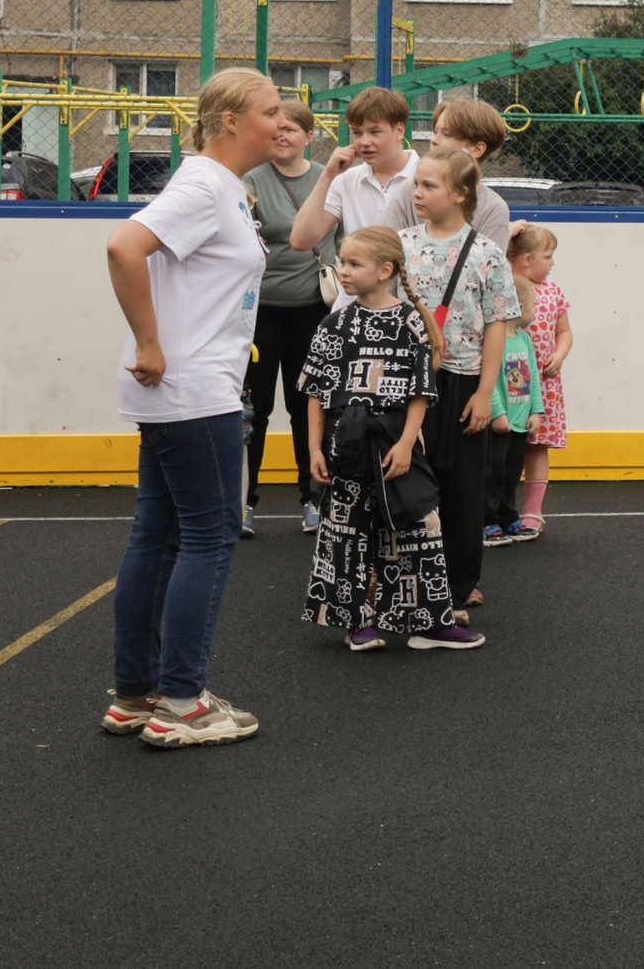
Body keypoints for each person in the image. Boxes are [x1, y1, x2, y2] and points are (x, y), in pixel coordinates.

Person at [101, 68, 281, 748]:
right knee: (209, 535)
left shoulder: (222, 188)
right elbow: (124, 245)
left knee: (159, 533)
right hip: (192, 389)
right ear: (230, 120)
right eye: (270, 111)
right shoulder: (205, 184)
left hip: (187, 388)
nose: (282, 123)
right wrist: (149, 340)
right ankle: (181, 700)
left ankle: (135, 694)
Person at [300, 226, 480, 651]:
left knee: (420, 525)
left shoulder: (410, 323)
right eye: (341, 262)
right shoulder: (334, 324)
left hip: (398, 441)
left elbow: (421, 392)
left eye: (353, 264)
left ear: (385, 270)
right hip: (347, 444)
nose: (342, 271)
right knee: (347, 531)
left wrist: (405, 444)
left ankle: (429, 623)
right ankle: (357, 622)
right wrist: (313, 450)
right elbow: (316, 394)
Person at [404, 144, 523, 616]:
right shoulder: (403, 244)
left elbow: (498, 324)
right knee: (410, 483)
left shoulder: (489, 253)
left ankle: (458, 584)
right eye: (416, 184)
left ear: (460, 194)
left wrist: (483, 393)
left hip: (463, 382)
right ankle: (408, 579)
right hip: (410, 385)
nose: (417, 193)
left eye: (429, 186)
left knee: (463, 488)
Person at [243, 99, 337, 536]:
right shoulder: (251, 179)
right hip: (260, 313)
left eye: (292, 130)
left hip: (313, 311)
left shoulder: (330, 180)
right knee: (253, 410)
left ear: (309, 136)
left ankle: (312, 500)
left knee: (307, 409)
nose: (282, 136)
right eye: (276, 129)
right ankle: (244, 502)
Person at [504, 223, 572, 541]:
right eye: (548, 256)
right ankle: (497, 510)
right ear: (527, 260)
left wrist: (559, 355)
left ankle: (533, 511)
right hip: (506, 389)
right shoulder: (504, 286)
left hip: (542, 386)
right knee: (503, 450)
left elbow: (564, 332)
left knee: (537, 445)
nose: (552, 262)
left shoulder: (553, 292)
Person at [290, 86, 417, 252]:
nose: (364, 142)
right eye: (357, 133)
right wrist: (327, 176)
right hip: (362, 278)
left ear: (399, 131)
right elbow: (301, 241)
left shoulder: (426, 176)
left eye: (374, 132)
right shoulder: (346, 180)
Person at [381, 96, 514, 250]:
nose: (434, 140)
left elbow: (489, 269)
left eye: (447, 134)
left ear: (477, 149)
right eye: (436, 131)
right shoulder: (409, 190)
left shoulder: (493, 208)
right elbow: (382, 248)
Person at [480, 271, 544, 546]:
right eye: (533, 306)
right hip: (501, 422)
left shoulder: (524, 339)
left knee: (512, 472)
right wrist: (497, 413)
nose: (535, 312)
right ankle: (486, 520)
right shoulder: (494, 339)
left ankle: (507, 516)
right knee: (493, 472)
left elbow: (533, 378)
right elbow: (489, 379)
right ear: (516, 306)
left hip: (520, 421)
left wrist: (536, 411)